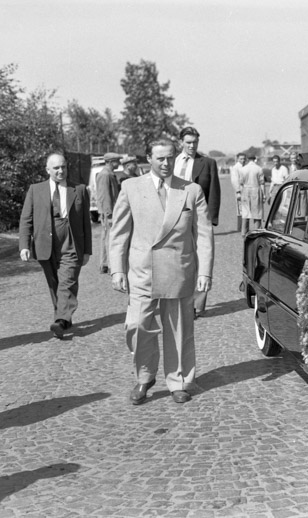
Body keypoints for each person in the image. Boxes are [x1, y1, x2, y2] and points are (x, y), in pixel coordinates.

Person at [109, 139, 214, 405]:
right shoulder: (130, 188)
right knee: (137, 325)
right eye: (160, 159)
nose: (166, 164)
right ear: (148, 159)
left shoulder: (190, 190)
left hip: (179, 269)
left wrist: (204, 274)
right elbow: (119, 232)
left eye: (169, 158)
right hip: (142, 271)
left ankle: (178, 381)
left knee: (179, 329)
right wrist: (117, 269)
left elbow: (203, 235)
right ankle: (145, 376)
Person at [18, 153, 92, 338]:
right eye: (56, 168)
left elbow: (85, 223)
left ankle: (60, 320)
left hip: (72, 243)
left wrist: (87, 250)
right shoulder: (36, 190)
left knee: (67, 281)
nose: (61, 171)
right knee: (54, 284)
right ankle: (63, 318)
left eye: (64, 167)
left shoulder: (79, 189)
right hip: (45, 243)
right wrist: (24, 245)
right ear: (47, 170)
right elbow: (26, 219)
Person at [174, 126, 220, 318]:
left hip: (198, 217)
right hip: (174, 217)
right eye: (188, 142)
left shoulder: (207, 163)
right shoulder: (172, 162)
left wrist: (210, 219)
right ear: (181, 143)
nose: (192, 146)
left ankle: (194, 305)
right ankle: (177, 300)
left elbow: (215, 192)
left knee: (200, 258)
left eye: (195, 142)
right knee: (177, 259)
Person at [95, 152, 121, 274]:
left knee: (107, 237)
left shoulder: (109, 174)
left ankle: (104, 264)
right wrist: (109, 214)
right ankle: (110, 265)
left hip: (110, 211)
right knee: (109, 238)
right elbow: (105, 196)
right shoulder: (105, 175)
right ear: (110, 162)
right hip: (109, 212)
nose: (119, 163)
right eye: (117, 161)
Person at [239, 155, 265, 236]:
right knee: (257, 212)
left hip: (245, 190)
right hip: (256, 189)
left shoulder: (243, 169)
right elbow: (262, 183)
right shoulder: (259, 168)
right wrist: (264, 195)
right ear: (255, 159)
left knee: (245, 212)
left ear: (247, 159)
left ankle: (244, 232)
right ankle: (257, 232)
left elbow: (241, 182)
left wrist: (240, 193)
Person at [230, 153, 246, 232]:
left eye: (244, 159)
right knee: (240, 209)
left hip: (246, 189)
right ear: (238, 159)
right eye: (241, 159)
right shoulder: (236, 168)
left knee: (246, 208)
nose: (243, 160)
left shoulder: (245, 167)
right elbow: (234, 180)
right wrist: (238, 191)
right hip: (240, 189)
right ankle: (240, 227)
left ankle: (245, 226)